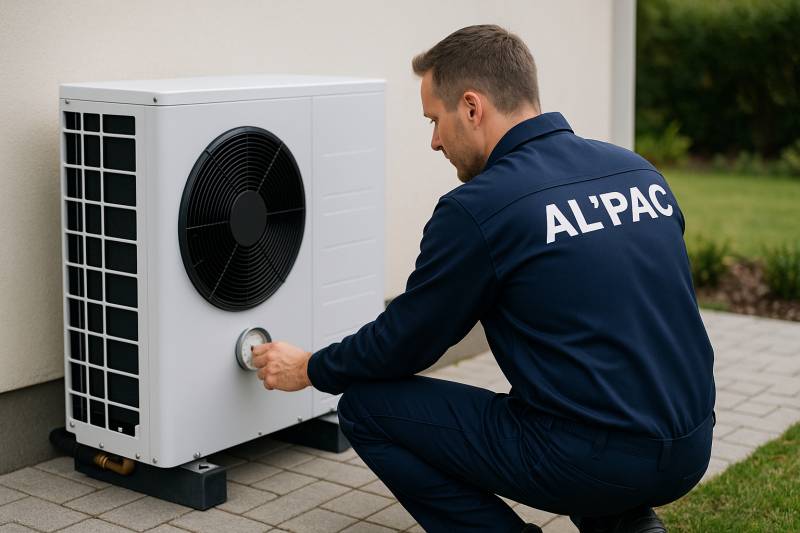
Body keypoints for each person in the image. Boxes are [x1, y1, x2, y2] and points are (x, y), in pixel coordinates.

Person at [251, 24, 715, 533]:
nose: (433, 142)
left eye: (434, 119)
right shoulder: (638, 174)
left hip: (595, 458)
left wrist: (313, 368)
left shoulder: (482, 207)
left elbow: (406, 342)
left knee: (367, 408)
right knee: (583, 406)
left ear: (472, 107)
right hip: (690, 446)